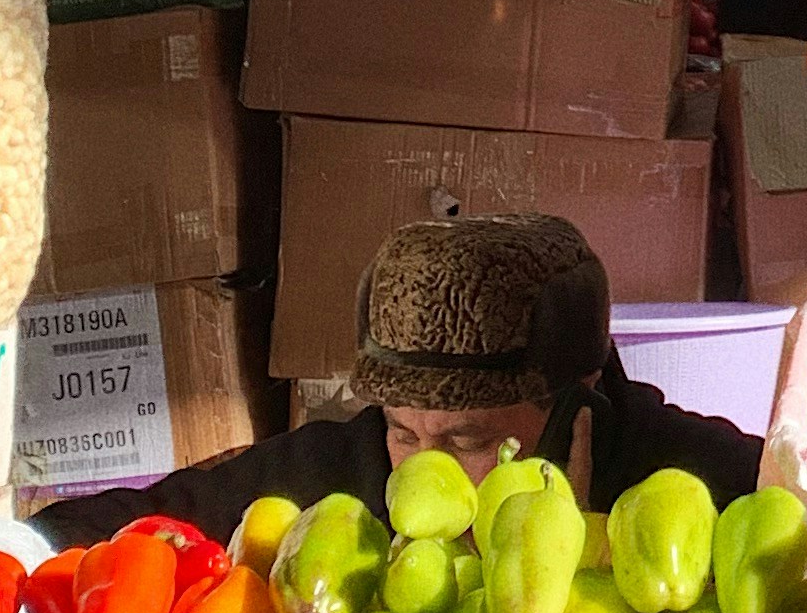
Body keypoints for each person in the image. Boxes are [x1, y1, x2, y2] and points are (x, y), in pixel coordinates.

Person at [57, 215, 763, 543]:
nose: (423, 474)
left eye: (467, 440)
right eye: (403, 430)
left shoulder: (692, 474)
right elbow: (135, 523)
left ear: (575, 409)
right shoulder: (353, 468)